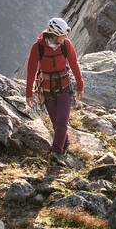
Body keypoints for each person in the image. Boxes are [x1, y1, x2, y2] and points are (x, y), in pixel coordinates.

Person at [25, 17, 85, 162]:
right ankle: (65, 144)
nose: (65, 38)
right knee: (56, 124)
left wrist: (80, 84)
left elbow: (74, 64)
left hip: (64, 88)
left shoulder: (66, 45)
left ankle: (56, 153)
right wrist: (29, 93)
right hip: (47, 91)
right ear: (54, 34)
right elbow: (31, 70)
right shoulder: (37, 47)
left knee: (62, 121)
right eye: (62, 35)